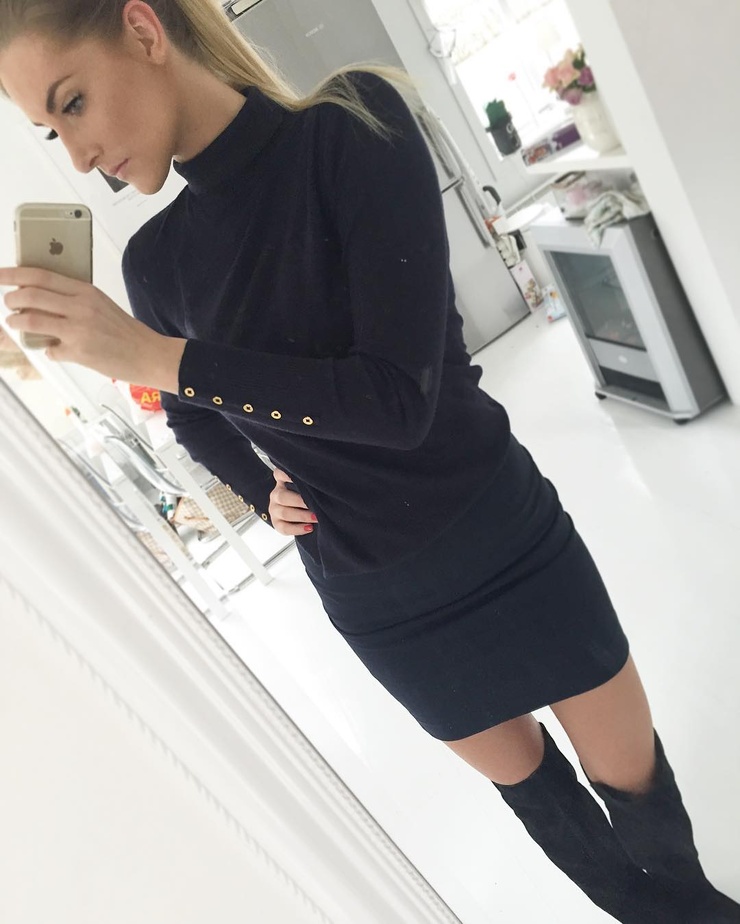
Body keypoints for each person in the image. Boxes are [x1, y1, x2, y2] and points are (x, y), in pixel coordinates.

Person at [0, 3, 737, 921]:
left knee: (641, 800)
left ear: (144, 31)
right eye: (49, 130)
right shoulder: (156, 262)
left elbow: (396, 401)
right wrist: (263, 492)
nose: (76, 156)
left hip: (499, 533)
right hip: (376, 596)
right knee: (548, 811)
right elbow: (192, 421)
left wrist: (156, 357)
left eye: (71, 103)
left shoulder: (353, 126)